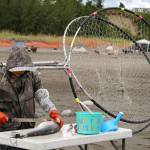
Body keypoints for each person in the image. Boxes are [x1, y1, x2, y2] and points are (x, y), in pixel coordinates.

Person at [0, 47, 64, 149]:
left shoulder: (32, 76)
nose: (21, 71)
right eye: (18, 69)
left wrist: (52, 110)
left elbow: (41, 94)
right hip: (5, 132)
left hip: (28, 130)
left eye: (24, 68)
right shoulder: (1, 77)